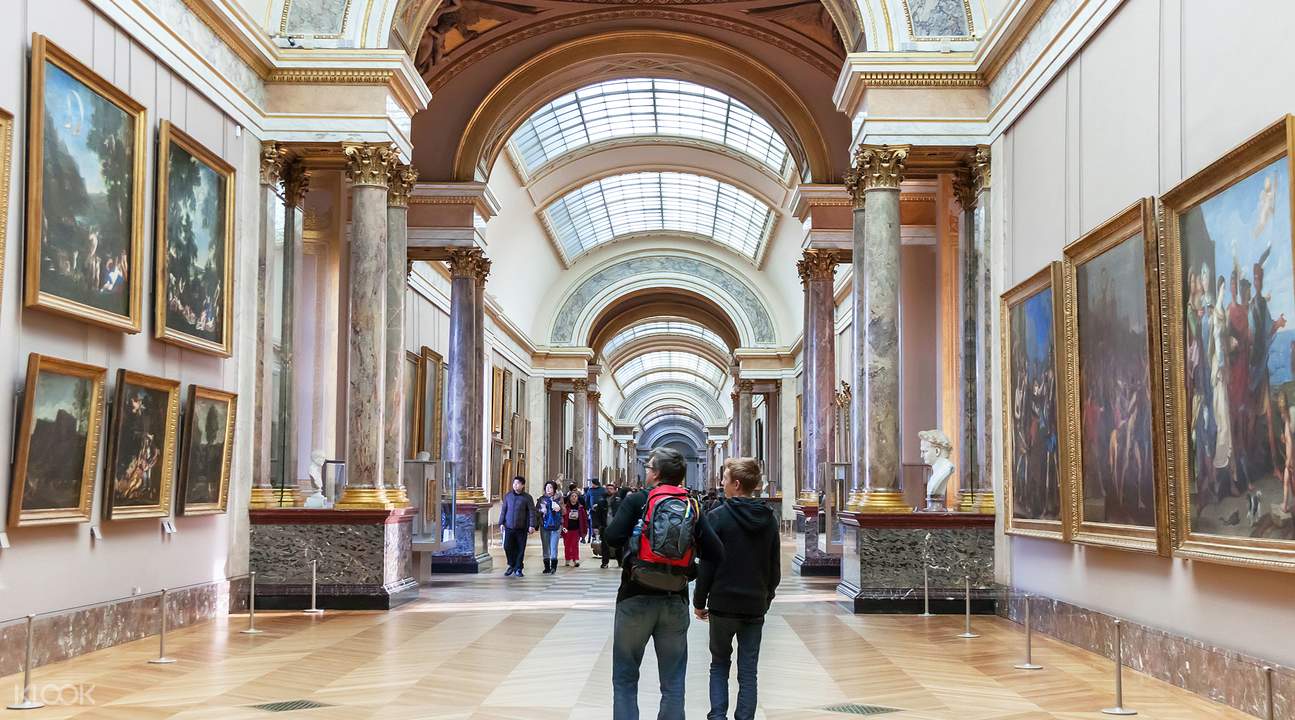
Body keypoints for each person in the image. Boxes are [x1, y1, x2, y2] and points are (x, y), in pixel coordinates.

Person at [604, 447, 724, 720]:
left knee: (625, 679)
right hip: (674, 598)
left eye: (649, 467)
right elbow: (716, 553)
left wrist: (635, 544)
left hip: (635, 596)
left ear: (657, 473)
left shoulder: (638, 501)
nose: (646, 471)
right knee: (673, 683)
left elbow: (612, 537)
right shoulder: (691, 504)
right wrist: (686, 567)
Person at [694, 458, 780, 720]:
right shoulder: (769, 519)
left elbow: (707, 565)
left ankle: (717, 717)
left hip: (722, 604)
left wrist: (699, 601)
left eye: (725, 478)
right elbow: (773, 568)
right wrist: (766, 598)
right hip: (754, 605)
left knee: (719, 665)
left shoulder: (717, 518)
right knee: (748, 671)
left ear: (737, 484)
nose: (722, 483)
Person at [498, 476, 535, 577]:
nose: (515, 485)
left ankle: (518, 568)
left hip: (521, 528)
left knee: (520, 549)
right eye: (514, 483)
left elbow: (532, 512)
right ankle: (512, 564)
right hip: (509, 527)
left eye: (518, 483)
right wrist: (501, 523)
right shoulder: (508, 496)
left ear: (523, 485)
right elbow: (504, 510)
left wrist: (532, 525)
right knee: (507, 547)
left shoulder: (527, 497)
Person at [536, 480, 564, 574]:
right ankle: (546, 567)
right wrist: (541, 510)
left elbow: (564, 511)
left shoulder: (559, 498)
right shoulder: (541, 499)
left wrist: (559, 508)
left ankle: (553, 567)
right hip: (544, 525)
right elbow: (536, 512)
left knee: (553, 546)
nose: (549, 489)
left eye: (551, 487)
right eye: (547, 487)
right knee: (545, 546)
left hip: (556, 525)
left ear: (554, 489)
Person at [561, 488, 588, 567]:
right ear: (569, 498)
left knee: (575, 545)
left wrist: (584, 529)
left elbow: (584, 519)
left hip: (576, 529)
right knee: (567, 545)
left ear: (577, 498)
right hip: (566, 529)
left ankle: (575, 559)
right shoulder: (565, 507)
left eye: (575, 496)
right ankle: (567, 559)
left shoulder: (580, 508)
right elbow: (562, 517)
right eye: (572, 496)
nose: (574, 497)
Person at [584, 478, 607, 543]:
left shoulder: (603, 490)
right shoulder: (590, 490)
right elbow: (587, 501)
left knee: (602, 523)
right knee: (593, 524)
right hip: (593, 511)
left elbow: (605, 499)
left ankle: (601, 536)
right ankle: (594, 536)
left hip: (602, 510)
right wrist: (589, 508)